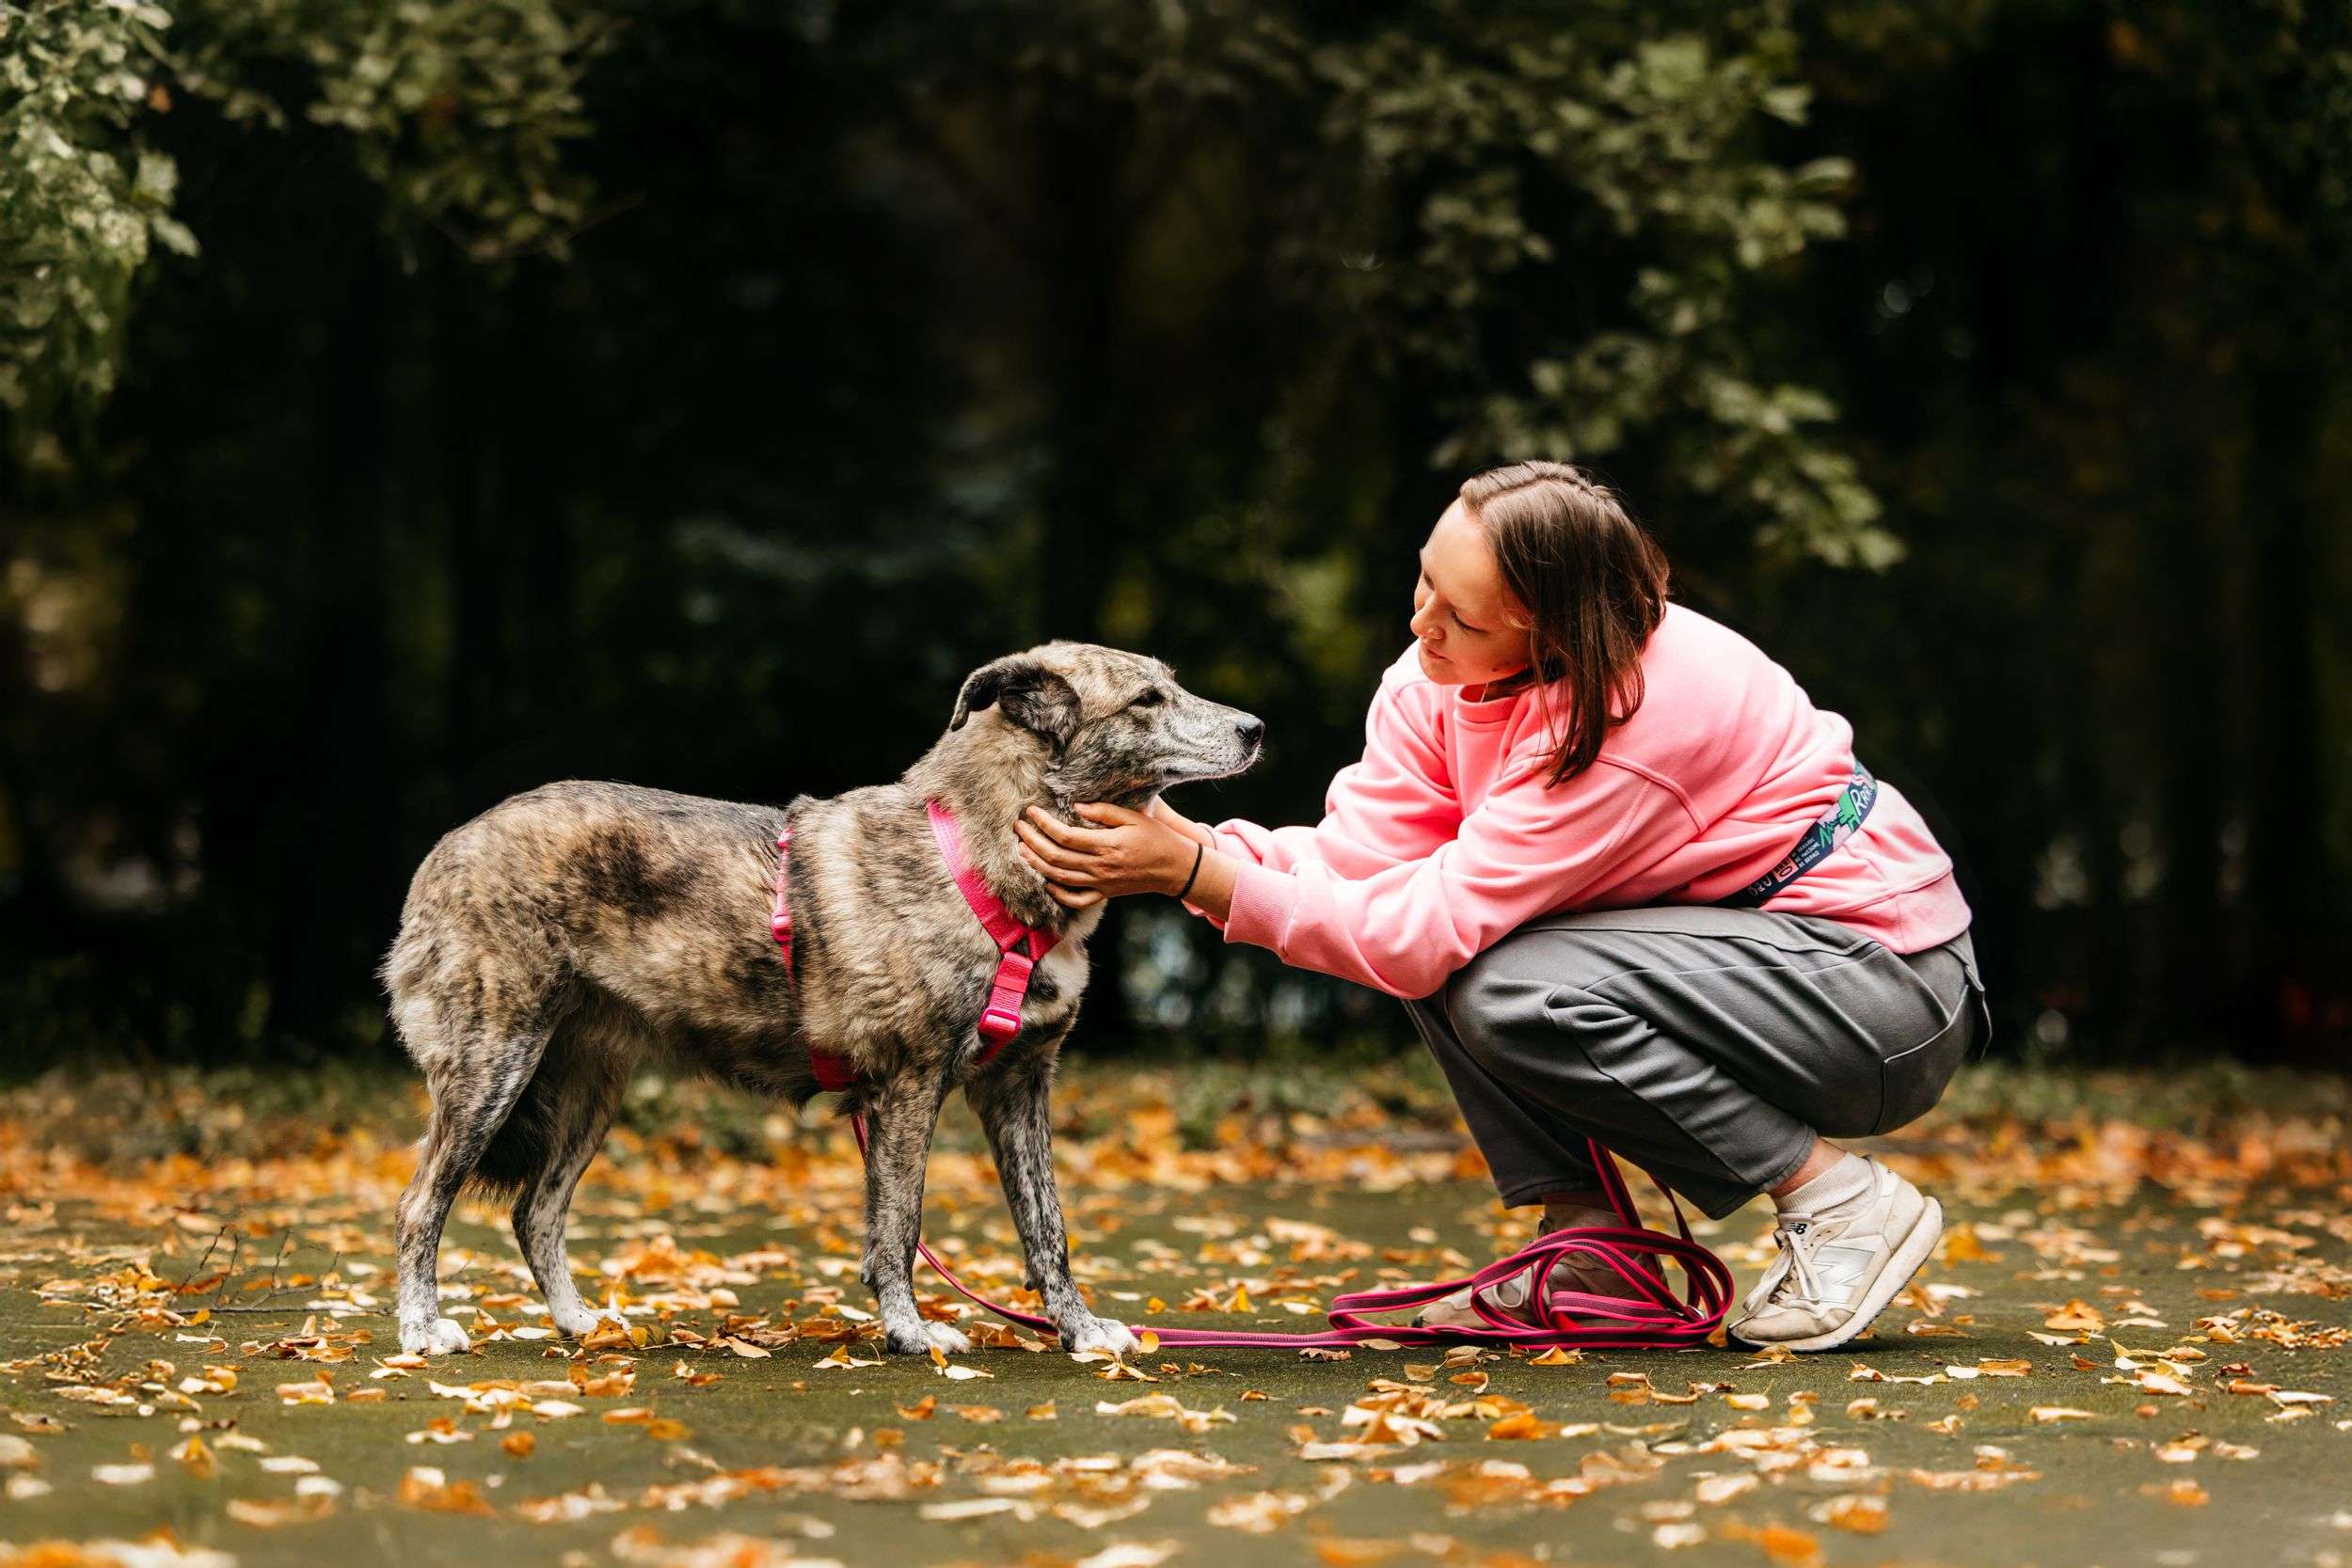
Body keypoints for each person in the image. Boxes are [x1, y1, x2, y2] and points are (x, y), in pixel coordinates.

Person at [1012, 461, 1989, 1351]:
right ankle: (1590, 1249)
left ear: (1552, 631)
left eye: (1462, 616)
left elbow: (1420, 936)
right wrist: (1197, 848)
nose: (1420, 624)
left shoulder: (1634, 713)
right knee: (1461, 946)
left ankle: (1832, 1195)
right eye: (1424, 580)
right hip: (1746, 965)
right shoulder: (1435, 677)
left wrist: (1191, 875)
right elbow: (1365, 862)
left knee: (1504, 980)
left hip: (1881, 992)